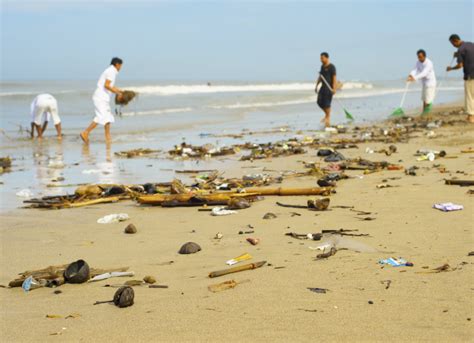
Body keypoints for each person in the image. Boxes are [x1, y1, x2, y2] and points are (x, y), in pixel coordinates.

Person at [80, 57, 124, 144]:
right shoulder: (112, 71)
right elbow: (106, 85)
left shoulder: (111, 71)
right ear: (117, 64)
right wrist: (118, 93)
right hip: (101, 98)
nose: (121, 68)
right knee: (101, 117)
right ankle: (85, 132)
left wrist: (120, 91)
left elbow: (110, 86)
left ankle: (108, 139)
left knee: (107, 118)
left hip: (103, 98)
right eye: (121, 66)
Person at [447, 34, 474, 123]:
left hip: (470, 75)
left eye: (452, 44)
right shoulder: (470, 44)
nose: (453, 46)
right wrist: (458, 55)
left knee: (470, 96)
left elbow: (460, 65)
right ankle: (470, 115)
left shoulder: (460, 49)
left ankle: (471, 116)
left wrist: (451, 69)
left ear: (455, 41)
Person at [407, 49, 436, 114]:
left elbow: (424, 73)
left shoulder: (429, 63)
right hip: (424, 83)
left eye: (420, 57)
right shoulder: (418, 62)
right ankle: (424, 112)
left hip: (430, 83)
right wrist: (411, 75)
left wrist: (414, 78)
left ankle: (427, 113)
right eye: (418, 57)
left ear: (424, 56)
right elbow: (415, 69)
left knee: (428, 100)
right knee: (424, 99)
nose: (419, 58)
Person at [315, 52, 337, 128]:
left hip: (329, 88)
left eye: (322, 58)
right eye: (320, 58)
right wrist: (316, 85)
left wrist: (334, 89)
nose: (321, 60)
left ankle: (327, 118)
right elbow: (320, 77)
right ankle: (327, 115)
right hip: (323, 87)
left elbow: (334, 78)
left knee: (327, 104)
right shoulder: (322, 67)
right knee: (319, 102)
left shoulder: (332, 67)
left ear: (327, 58)